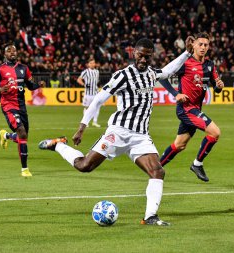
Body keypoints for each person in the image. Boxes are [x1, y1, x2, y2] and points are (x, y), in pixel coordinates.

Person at [38, 37, 193, 226]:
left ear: (151, 56)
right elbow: (98, 100)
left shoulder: (152, 74)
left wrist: (188, 53)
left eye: (147, 56)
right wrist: (82, 126)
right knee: (85, 166)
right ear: (134, 54)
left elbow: (168, 70)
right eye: (140, 55)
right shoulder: (122, 75)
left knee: (157, 172)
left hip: (140, 136)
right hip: (118, 132)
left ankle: (150, 216)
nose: (143, 59)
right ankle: (59, 146)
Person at [159, 32, 224, 182]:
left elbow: (216, 87)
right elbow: (162, 77)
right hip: (186, 109)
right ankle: (197, 164)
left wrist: (219, 86)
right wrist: (175, 94)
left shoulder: (209, 65)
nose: (202, 47)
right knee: (215, 132)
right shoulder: (185, 63)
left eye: (205, 45)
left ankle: (156, 167)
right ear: (193, 45)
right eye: (200, 44)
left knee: (179, 145)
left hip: (196, 110)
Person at [0, 44, 43, 177]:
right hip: (8, 105)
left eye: (14, 50)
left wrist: (38, 85)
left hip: (21, 106)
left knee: (22, 137)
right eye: (9, 51)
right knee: (22, 133)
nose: (12, 52)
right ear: (4, 54)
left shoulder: (24, 69)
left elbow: (30, 86)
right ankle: (25, 169)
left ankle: (5, 135)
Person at [77, 58, 101, 127]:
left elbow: (97, 81)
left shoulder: (97, 72)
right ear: (88, 64)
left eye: (93, 63)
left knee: (97, 107)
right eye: (91, 63)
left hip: (96, 93)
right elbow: (79, 80)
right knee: (87, 108)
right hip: (88, 94)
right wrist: (84, 84)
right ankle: (85, 122)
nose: (92, 64)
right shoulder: (85, 72)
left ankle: (95, 122)